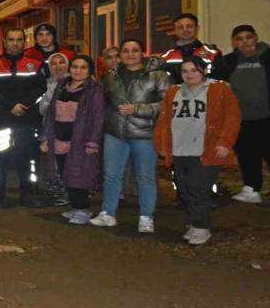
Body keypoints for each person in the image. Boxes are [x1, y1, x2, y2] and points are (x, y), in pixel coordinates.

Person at [212, 24, 270, 207]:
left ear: (255, 38)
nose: (245, 42)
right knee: (247, 155)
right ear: (234, 43)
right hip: (241, 119)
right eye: (239, 39)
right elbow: (216, 86)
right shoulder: (227, 62)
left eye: (248, 37)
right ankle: (252, 189)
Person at [154, 57, 241, 245]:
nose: (189, 74)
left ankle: (202, 226)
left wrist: (225, 142)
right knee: (184, 189)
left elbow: (232, 117)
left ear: (203, 71)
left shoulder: (219, 89)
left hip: (205, 150)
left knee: (198, 188)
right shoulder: (174, 91)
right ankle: (194, 222)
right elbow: (164, 120)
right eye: (185, 71)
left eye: (194, 70)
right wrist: (162, 144)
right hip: (179, 149)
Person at [89, 39, 171, 233]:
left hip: (144, 134)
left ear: (142, 53)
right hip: (115, 134)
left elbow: (168, 104)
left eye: (135, 50)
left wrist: (138, 109)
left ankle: (146, 217)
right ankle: (108, 213)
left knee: (145, 177)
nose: (130, 54)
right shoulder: (111, 76)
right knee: (111, 175)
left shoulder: (158, 75)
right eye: (126, 51)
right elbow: (103, 103)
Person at [0, 28, 46, 210]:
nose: (15, 43)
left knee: (28, 161)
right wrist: (10, 106)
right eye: (11, 39)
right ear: (5, 41)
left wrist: (24, 105)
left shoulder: (35, 64)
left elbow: (41, 89)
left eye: (18, 40)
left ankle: (29, 196)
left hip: (27, 122)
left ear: (24, 42)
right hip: (1, 121)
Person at [40, 56, 105, 224]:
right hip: (59, 140)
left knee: (79, 176)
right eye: (75, 67)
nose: (78, 71)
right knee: (66, 174)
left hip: (80, 141)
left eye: (83, 67)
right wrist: (46, 137)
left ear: (90, 71)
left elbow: (98, 117)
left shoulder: (94, 90)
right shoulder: (62, 86)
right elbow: (51, 113)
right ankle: (76, 207)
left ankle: (83, 209)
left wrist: (93, 141)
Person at [37, 52, 70, 206]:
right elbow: (42, 108)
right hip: (51, 128)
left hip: (70, 129)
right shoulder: (44, 85)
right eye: (53, 63)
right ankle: (57, 191)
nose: (57, 66)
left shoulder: (75, 82)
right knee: (54, 162)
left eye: (61, 62)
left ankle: (71, 192)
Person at [159, 13, 220, 84]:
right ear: (175, 31)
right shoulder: (166, 57)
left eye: (189, 26)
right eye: (180, 27)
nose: (185, 30)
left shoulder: (212, 53)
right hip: (175, 91)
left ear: (197, 28)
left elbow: (219, 81)